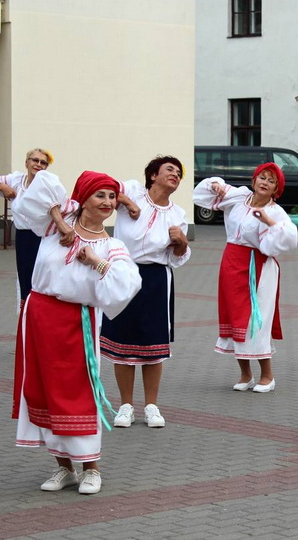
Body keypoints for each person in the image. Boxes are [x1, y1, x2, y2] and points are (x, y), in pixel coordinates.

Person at [12, 170, 141, 495]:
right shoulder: (55, 225)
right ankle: (63, 467)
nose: (108, 203)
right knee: (43, 391)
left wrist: (95, 261)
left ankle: (92, 468)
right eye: (100, 195)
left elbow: (127, 285)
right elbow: (38, 187)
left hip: (77, 323)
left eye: (112, 197)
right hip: (40, 317)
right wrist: (62, 219)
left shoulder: (112, 246)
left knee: (78, 394)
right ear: (82, 198)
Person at [100, 156, 191, 428]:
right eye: (169, 170)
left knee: (153, 344)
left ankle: (151, 405)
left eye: (178, 172)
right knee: (122, 341)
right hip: (123, 271)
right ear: (153, 175)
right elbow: (104, 185)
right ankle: (125, 406)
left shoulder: (178, 215)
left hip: (155, 279)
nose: (175, 174)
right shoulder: (132, 191)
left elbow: (177, 257)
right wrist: (127, 203)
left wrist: (182, 242)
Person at [193, 163, 298, 393]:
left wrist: (268, 222)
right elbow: (202, 195)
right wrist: (215, 184)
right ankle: (245, 374)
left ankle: (267, 375)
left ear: (276, 190)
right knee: (234, 317)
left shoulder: (276, 212)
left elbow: (290, 239)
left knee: (256, 320)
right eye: (262, 177)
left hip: (258, 266)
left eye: (271, 181)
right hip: (231, 261)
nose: (265, 183)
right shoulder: (239, 197)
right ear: (254, 180)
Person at [0, 148, 54, 306]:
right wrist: (2, 186)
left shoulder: (47, 184)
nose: (38, 164)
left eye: (43, 163)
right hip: (23, 236)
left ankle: (40, 310)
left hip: (43, 237)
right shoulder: (16, 179)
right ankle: (26, 311)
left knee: (41, 276)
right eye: (35, 160)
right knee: (24, 276)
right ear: (26, 162)